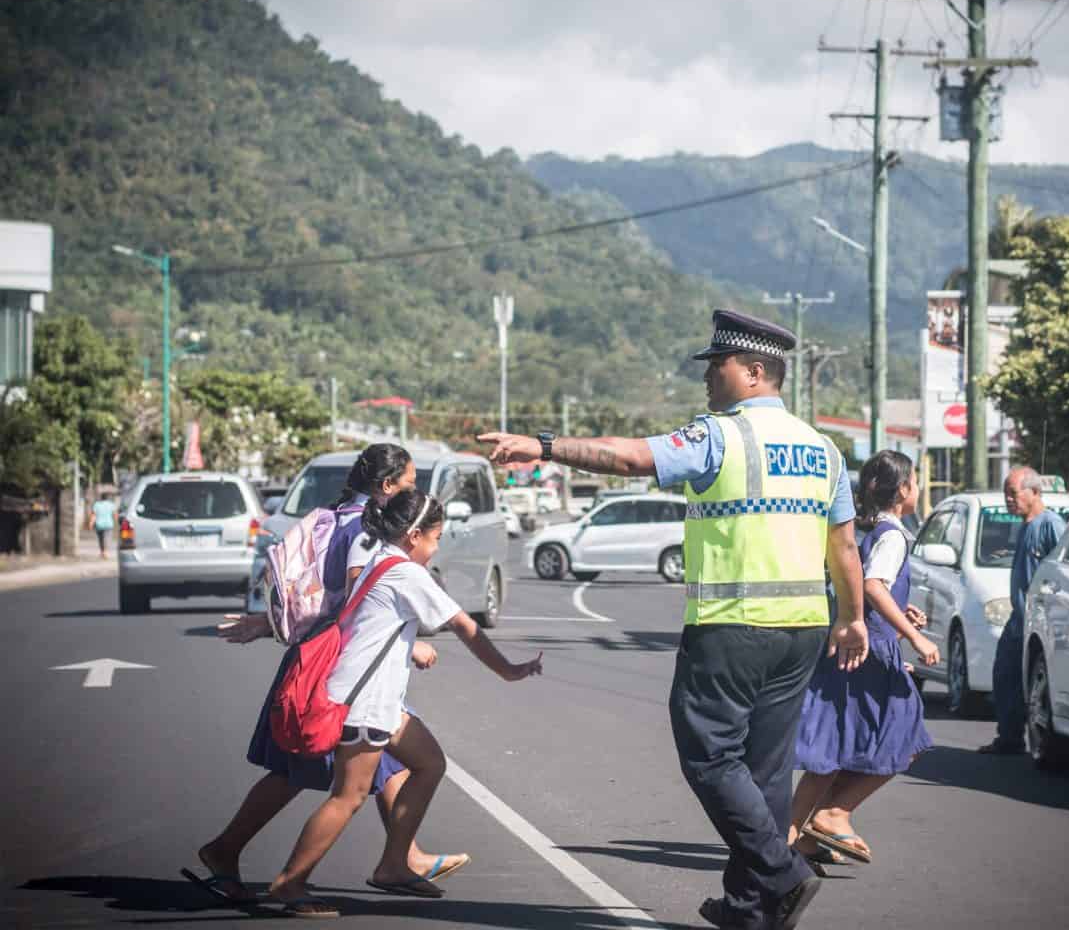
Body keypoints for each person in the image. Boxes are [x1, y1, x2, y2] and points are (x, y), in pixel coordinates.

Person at [479, 308, 869, 930]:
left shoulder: (721, 435)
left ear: (754, 371)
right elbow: (843, 546)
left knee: (710, 757)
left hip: (732, 625)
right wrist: (853, 618)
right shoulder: (824, 449)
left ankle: (781, 871)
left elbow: (630, 457)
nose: (708, 378)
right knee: (765, 771)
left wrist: (545, 446)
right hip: (802, 628)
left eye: (718, 366)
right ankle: (751, 910)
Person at [191, 445, 457, 904]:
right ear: (387, 487)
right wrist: (410, 644)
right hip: (337, 667)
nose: (415, 493)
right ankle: (239, 854)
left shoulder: (334, 516)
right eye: (410, 484)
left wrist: (270, 626)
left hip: (321, 658)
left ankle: (401, 856)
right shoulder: (364, 530)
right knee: (315, 766)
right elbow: (354, 603)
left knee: (340, 764)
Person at [266, 489, 543, 918]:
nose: (436, 548)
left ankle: (394, 864)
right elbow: (465, 625)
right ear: (414, 535)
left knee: (430, 763)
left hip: (377, 699)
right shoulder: (407, 574)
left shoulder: (381, 560)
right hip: (363, 701)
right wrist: (509, 670)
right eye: (436, 538)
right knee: (348, 796)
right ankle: (290, 882)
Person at [790, 451, 937, 870]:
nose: (918, 488)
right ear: (905, 489)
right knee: (907, 738)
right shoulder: (893, 535)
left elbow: (862, 585)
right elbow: (872, 585)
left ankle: (794, 840)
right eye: (916, 481)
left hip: (851, 644)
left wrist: (900, 611)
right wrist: (914, 636)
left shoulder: (861, 529)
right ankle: (833, 814)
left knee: (832, 748)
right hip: (869, 653)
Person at [979, 466, 1066, 755]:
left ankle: (1037, 740)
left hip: (1039, 621)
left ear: (1035, 492)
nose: (1008, 499)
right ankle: (1009, 737)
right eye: (1006, 493)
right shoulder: (1025, 525)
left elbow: (1063, 573)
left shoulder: (1050, 525)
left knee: (1033, 683)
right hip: (1019, 618)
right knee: (1005, 676)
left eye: (1013, 493)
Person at [92, 491, 118, 559]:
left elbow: (94, 515)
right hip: (108, 524)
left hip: (99, 524)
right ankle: (105, 552)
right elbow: (115, 514)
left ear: (101, 498)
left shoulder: (97, 504)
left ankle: (102, 551)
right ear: (108, 498)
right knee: (107, 539)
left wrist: (91, 523)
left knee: (100, 539)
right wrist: (116, 522)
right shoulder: (111, 505)